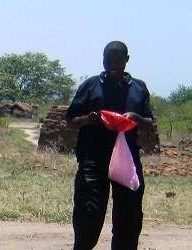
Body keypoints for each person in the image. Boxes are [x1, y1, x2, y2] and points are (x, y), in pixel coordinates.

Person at [65, 41, 155, 250]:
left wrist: (134, 118)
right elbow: (70, 121)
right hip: (93, 161)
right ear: (103, 59)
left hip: (126, 161)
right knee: (88, 214)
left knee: (129, 216)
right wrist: (89, 118)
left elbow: (150, 124)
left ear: (127, 60)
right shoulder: (90, 86)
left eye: (117, 61)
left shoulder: (138, 88)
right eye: (108, 61)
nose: (112, 65)